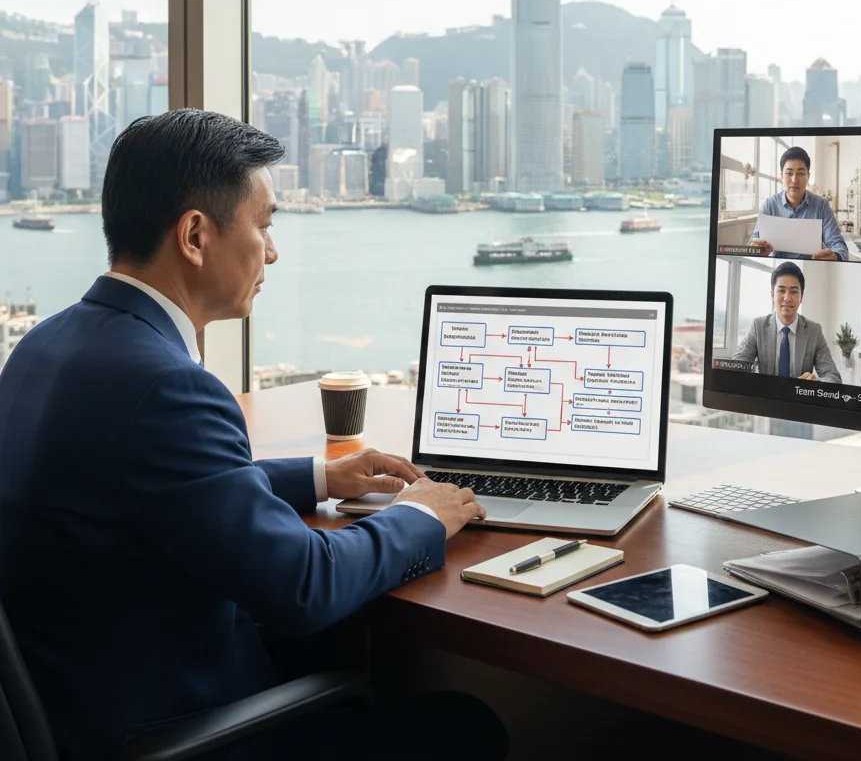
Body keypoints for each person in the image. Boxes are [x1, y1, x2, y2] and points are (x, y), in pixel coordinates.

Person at [0, 111, 506, 761]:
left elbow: (133, 485)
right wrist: (419, 518)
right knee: (464, 727)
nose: (272, 250)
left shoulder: (45, 345)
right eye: (263, 225)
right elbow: (305, 588)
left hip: (79, 707)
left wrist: (322, 477)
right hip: (167, 731)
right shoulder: (168, 388)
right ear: (194, 234)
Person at [731, 262, 842, 382]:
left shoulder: (814, 331)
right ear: (772, 295)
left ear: (801, 297)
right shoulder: (758, 326)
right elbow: (736, 366)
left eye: (794, 292)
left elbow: (833, 376)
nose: (787, 298)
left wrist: (818, 383)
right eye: (781, 290)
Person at [748, 146, 848, 261]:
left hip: (811, 268)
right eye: (789, 173)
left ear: (808, 176)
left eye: (800, 173)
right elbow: (753, 243)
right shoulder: (770, 205)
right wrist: (755, 249)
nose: (794, 180)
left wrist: (835, 256)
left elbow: (839, 246)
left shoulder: (821, 205)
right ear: (781, 177)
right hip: (778, 270)